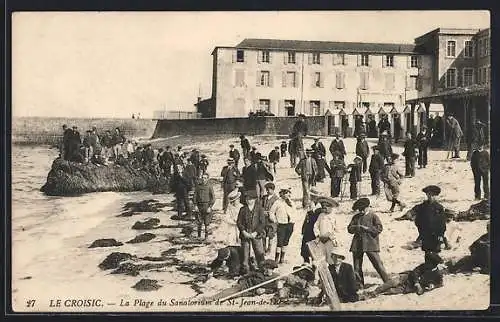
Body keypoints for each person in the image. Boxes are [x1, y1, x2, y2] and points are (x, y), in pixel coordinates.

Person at [361, 252, 446, 299]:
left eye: (428, 263)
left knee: (391, 291)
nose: (426, 264)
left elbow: (440, 283)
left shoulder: (437, 273)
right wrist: (417, 283)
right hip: (406, 278)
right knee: (392, 282)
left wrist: (433, 285)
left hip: (409, 287)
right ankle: (374, 292)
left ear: (433, 264)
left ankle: (376, 294)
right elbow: (414, 272)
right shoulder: (423, 266)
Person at [348, 198, 390, 289]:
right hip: (357, 245)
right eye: (359, 209)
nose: (361, 211)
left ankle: (387, 281)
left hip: (370, 244)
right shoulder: (356, 217)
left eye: (363, 209)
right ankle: (359, 285)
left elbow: (379, 229)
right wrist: (357, 227)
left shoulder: (373, 216)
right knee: (357, 267)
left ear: (368, 207)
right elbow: (349, 229)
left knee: (378, 264)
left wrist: (367, 229)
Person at [203, 259, 279, 302]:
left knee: (235, 295)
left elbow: (274, 289)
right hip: (244, 285)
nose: (268, 271)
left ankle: (218, 299)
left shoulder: (275, 277)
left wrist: (265, 290)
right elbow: (245, 276)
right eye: (266, 268)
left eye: (270, 269)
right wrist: (240, 281)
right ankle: (212, 298)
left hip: (251, 291)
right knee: (233, 290)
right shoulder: (258, 272)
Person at [237, 190, 267, 274]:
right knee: (245, 254)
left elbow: (262, 223)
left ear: (254, 199)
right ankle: (246, 270)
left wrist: (256, 232)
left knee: (259, 253)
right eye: (246, 199)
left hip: (256, 235)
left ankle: (262, 269)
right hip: (245, 235)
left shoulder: (259, 209)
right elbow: (239, 222)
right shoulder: (243, 209)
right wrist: (243, 231)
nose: (248, 200)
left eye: (250, 199)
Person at [414, 185, 449, 255]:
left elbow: (442, 223)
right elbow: (418, 220)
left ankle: (443, 241)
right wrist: (421, 231)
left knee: (435, 253)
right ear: (426, 195)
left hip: (436, 235)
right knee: (427, 253)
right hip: (425, 234)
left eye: (433, 195)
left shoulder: (439, 208)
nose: (430, 197)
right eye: (429, 194)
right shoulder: (423, 206)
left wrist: (441, 234)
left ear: (436, 196)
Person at [313, 196, 340, 263]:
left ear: (331, 207)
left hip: (330, 240)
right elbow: (316, 226)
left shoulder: (335, 216)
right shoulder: (321, 215)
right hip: (321, 239)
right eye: (324, 206)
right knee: (321, 258)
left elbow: (338, 230)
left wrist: (333, 237)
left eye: (327, 206)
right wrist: (318, 235)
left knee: (330, 258)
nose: (325, 208)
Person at [300, 189, 324, 263]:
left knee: (315, 251)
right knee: (305, 250)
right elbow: (306, 218)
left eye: (315, 196)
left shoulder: (321, 208)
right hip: (308, 230)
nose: (313, 197)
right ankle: (306, 264)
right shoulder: (310, 205)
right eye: (312, 196)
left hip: (315, 231)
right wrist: (303, 229)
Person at [274, 188, 296, 264]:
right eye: (285, 193)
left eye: (288, 193)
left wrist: (293, 221)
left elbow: (294, 213)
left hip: (290, 224)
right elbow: (271, 213)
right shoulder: (277, 202)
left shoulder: (291, 203)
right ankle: (276, 258)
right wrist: (275, 220)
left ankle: (282, 257)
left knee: (286, 241)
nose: (287, 195)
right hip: (281, 224)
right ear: (282, 194)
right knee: (280, 242)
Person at [193, 173, 216, 240]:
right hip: (199, 206)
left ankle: (206, 236)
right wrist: (195, 205)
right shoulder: (198, 186)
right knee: (199, 222)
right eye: (203, 177)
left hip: (206, 206)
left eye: (205, 178)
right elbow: (195, 196)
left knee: (206, 223)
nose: (203, 179)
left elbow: (213, 198)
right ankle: (199, 236)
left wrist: (210, 207)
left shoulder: (209, 186)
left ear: (207, 179)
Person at [262, 182, 280, 255]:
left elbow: (277, 210)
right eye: (266, 189)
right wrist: (263, 211)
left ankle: (269, 249)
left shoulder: (276, 199)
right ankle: (263, 249)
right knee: (263, 234)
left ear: (273, 190)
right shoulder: (264, 197)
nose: (267, 191)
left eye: (268, 189)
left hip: (272, 220)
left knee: (271, 235)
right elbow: (261, 206)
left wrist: (270, 213)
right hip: (264, 219)